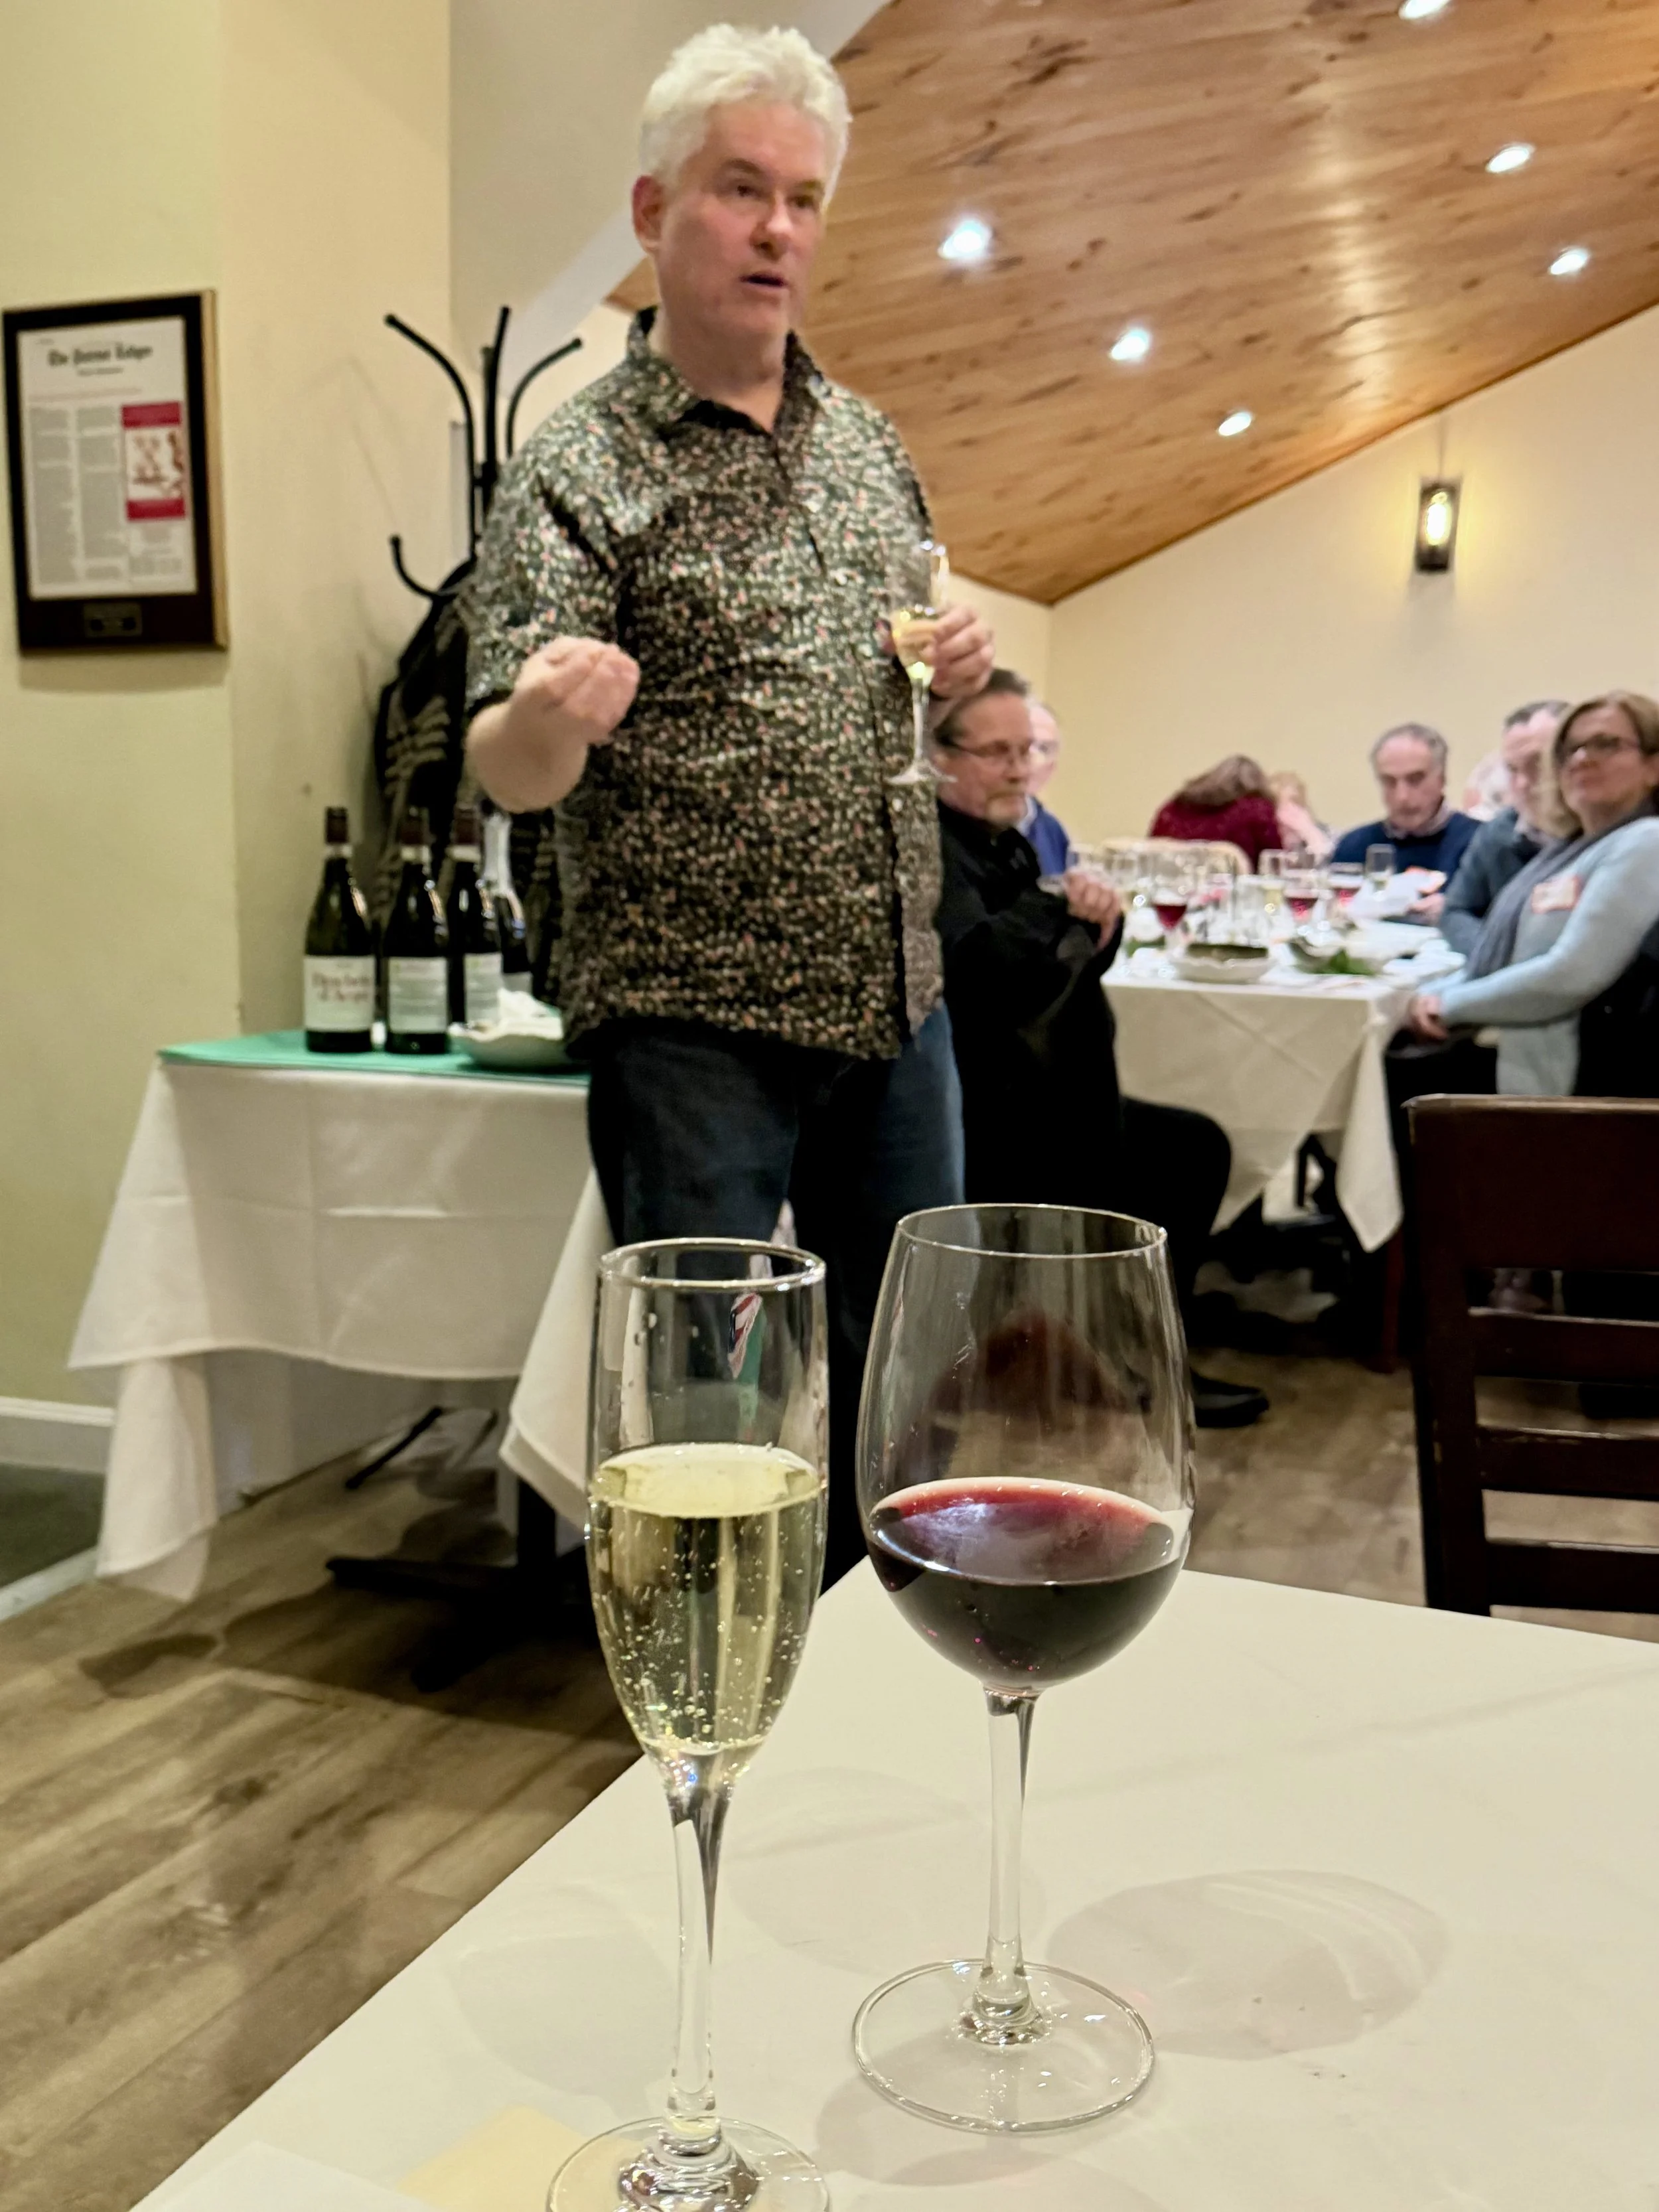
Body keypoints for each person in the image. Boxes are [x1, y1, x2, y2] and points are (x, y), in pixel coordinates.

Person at [463, 25, 995, 1580]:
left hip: (894, 1004)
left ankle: (870, 1708)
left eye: (806, 199)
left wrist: (952, 663)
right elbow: (508, 765)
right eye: (740, 189)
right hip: (689, 1017)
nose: (779, 230)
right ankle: (705, 1732)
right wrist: (547, 714)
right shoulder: (577, 463)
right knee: (702, 1416)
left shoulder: (867, 445)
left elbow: (904, 685)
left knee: (905, 1395)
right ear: (652, 210)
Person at [930, 671, 1268, 1429]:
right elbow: (975, 969)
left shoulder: (1000, 838)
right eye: (996, 752)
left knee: (1193, 1146)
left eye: (1027, 750)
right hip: (992, 1115)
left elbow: (1052, 961)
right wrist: (1057, 907)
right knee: (1177, 1153)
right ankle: (1117, 1361)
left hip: (1054, 1100)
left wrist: (1098, 928)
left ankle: (1142, 1356)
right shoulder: (933, 846)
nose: (1019, 769)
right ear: (939, 755)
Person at [1407, 692, 1659, 1095]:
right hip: (1516, 1054)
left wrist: (1449, 1005)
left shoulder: (1646, 843)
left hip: (1575, 1086)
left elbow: (1571, 975)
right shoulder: (1573, 848)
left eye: (1606, 744)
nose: (1582, 759)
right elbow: (1509, 954)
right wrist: (1435, 993)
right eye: (1570, 749)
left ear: (1653, 766)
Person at [1440, 700, 1568, 956]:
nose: (1522, 784)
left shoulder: (1606, 833)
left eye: (1537, 765)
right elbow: (1456, 911)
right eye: (1512, 769)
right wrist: (1494, 956)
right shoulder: (1500, 831)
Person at [1331, 723, 1479, 919]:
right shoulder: (1354, 846)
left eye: (1415, 779)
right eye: (1389, 782)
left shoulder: (1480, 843)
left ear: (1442, 778)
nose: (1402, 796)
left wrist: (1455, 913)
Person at [1149, 755, 1281, 867]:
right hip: (1229, 894)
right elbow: (1274, 864)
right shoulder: (1257, 809)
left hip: (1166, 892)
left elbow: (1152, 849)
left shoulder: (1175, 806)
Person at [1021, 700, 1070, 875]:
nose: (1031, 757)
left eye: (1043, 748)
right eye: (1024, 743)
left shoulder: (1052, 831)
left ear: (1051, 769)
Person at [1269, 770, 1333, 861]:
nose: (1290, 810)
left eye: (1295, 801)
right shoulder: (1270, 832)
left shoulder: (1321, 833)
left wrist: (1308, 831)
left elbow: (1323, 854)